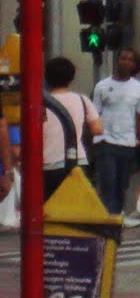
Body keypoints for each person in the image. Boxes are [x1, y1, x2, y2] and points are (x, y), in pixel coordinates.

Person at [93, 48, 140, 217]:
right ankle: (108, 216)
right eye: (122, 58)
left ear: (135, 65)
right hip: (105, 141)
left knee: (121, 184)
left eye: (130, 60)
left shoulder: (139, 88)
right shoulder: (102, 86)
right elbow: (94, 115)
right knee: (108, 181)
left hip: (127, 143)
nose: (125, 62)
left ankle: (116, 216)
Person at [42, 56, 103, 202]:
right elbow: (97, 129)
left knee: (50, 209)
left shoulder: (42, 103)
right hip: (78, 160)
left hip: (48, 163)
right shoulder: (82, 100)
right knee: (76, 209)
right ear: (71, 78)